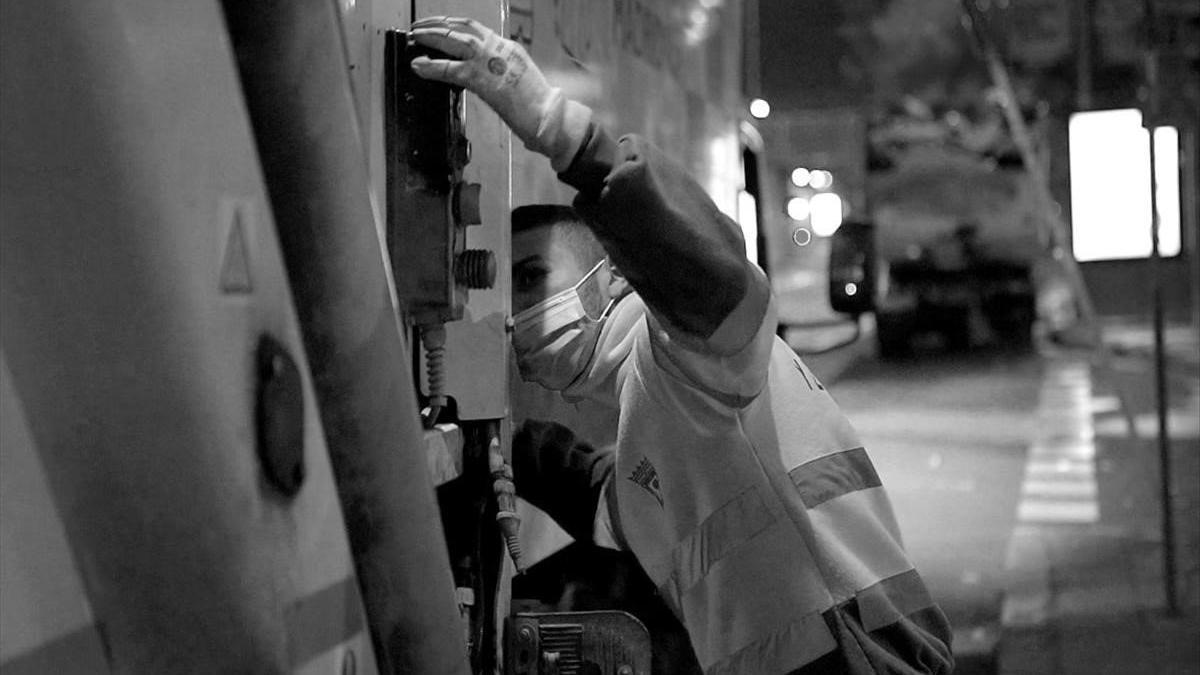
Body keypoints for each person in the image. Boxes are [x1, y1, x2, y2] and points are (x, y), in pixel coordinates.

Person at [411, 16, 954, 674]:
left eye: (535, 277)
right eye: (514, 292)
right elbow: (610, 505)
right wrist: (497, 443)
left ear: (612, 273)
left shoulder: (684, 349)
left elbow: (710, 269)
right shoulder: (648, 415)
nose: (521, 313)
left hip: (861, 658)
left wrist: (566, 133)